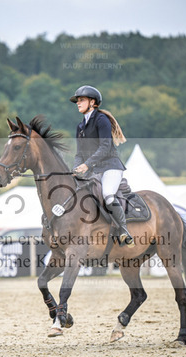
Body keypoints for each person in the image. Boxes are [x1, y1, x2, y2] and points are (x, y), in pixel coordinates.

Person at [70, 85, 133, 246]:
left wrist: (86, 164)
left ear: (92, 102)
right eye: (77, 101)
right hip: (94, 170)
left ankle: (123, 230)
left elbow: (105, 147)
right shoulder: (80, 127)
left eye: (81, 100)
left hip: (111, 166)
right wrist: (76, 168)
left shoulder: (101, 120)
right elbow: (79, 153)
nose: (78, 103)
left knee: (107, 194)